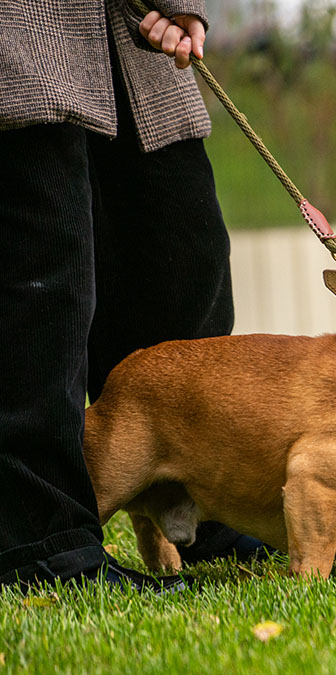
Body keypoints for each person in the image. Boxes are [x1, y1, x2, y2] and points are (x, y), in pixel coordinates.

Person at [0, 0, 266, 591]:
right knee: (40, 277)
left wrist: (182, 5)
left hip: (128, 30)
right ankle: (37, 539)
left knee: (183, 259)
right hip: (17, 27)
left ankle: (203, 508)